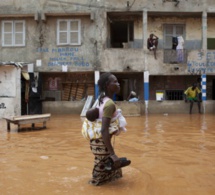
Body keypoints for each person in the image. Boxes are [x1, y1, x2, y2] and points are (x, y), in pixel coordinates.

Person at [85, 72, 130, 186]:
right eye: (115, 82)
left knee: (115, 173)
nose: (118, 84)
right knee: (98, 180)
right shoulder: (109, 104)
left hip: (98, 143)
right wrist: (113, 154)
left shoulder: (102, 99)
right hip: (102, 144)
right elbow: (104, 130)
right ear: (107, 85)